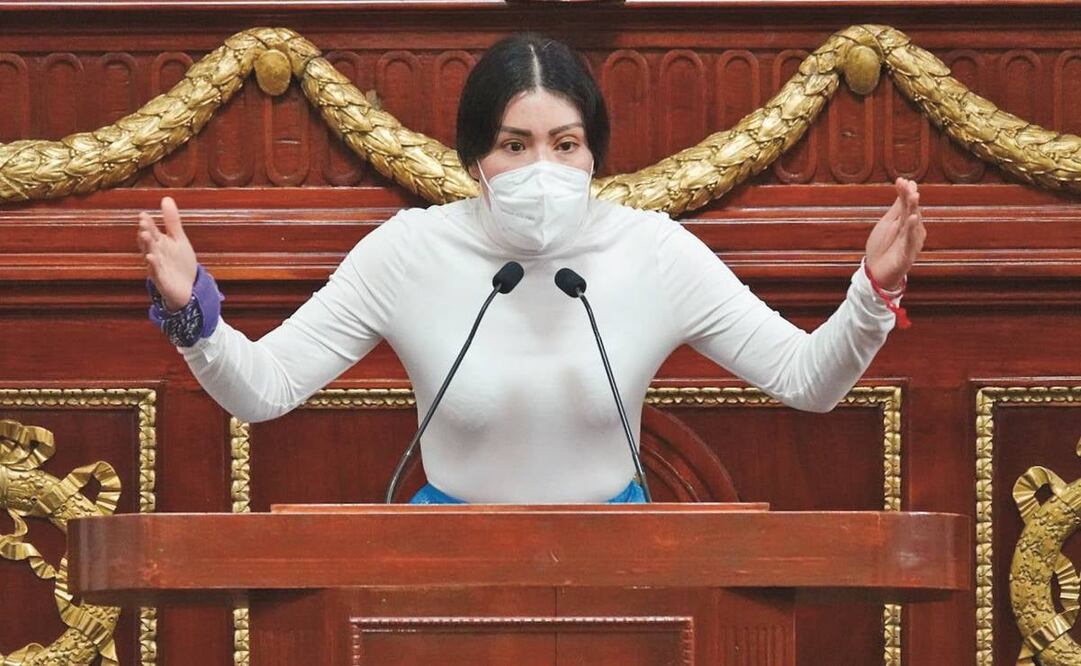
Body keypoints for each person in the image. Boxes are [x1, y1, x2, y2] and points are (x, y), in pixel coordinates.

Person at [136, 34, 925, 505]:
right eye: (515, 145)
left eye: (565, 143)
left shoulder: (651, 251)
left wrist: (872, 291)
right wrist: (190, 314)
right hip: (442, 564)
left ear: (593, 154)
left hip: (623, 566)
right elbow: (264, 390)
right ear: (475, 157)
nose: (541, 166)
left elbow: (806, 381)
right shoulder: (409, 251)